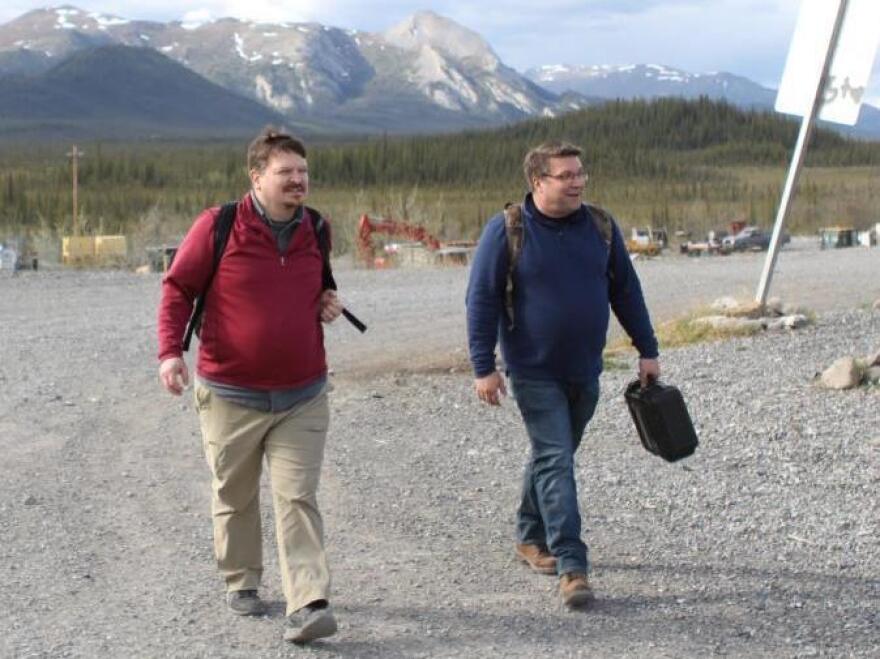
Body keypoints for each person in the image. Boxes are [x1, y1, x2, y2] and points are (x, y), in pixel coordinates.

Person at [157, 126, 343, 643]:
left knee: (297, 496)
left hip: (302, 393)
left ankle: (309, 602)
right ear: (256, 177)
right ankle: (241, 578)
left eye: (303, 171)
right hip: (230, 393)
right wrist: (170, 352)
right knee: (234, 493)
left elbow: (318, 286)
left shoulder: (317, 228)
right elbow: (177, 288)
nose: (298, 180)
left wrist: (327, 301)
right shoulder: (218, 226)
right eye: (286, 172)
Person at [465, 141, 660, 609]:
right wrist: (483, 367)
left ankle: (529, 535)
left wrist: (648, 350)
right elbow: (481, 299)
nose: (578, 182)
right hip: (532, 370)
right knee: (556, 458)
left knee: (553, 454)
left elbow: (626, 292)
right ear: (538, 182)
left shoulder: (600, 226)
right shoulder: (508, 229)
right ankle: (572, 566)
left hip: (585, 369)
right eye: (566, 175)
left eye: (580, 173)